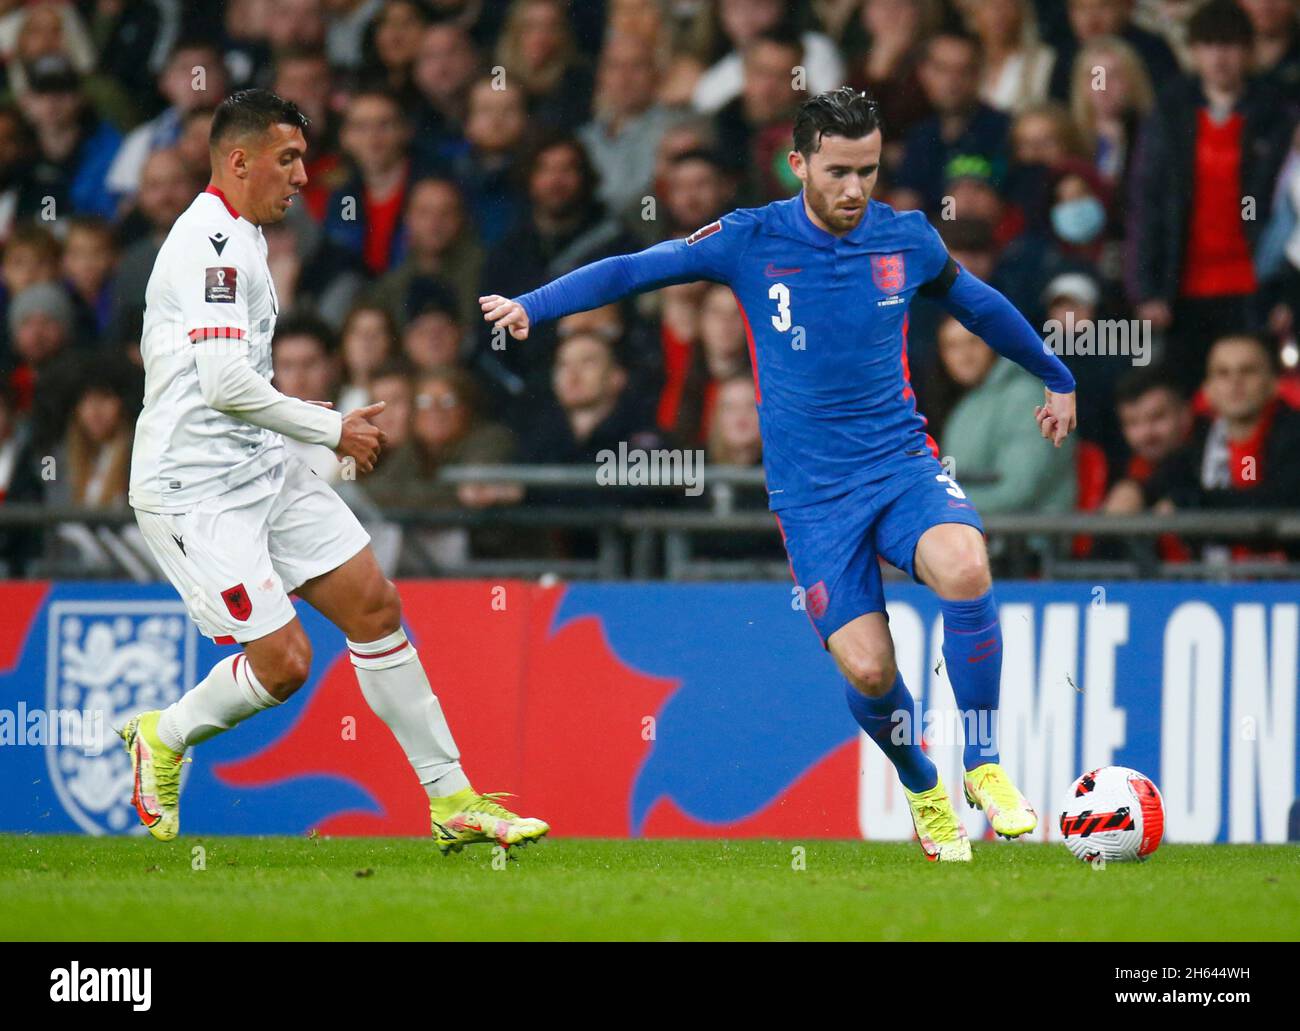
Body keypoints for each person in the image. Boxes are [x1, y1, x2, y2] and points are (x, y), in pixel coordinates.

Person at [482, 87, 1079, 862]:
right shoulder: (749, 238)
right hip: (814, 500)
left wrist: (1056, 375)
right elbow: (640, 266)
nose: (855, 189)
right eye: (837, 171)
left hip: (901, 464)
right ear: (797, 163)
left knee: (965, 565)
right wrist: (536, 305)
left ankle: (986, 763)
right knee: (869, 669)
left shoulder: (907, 239)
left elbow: (980, 305)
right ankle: (924, 783)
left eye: (867, 170)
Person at [121, 88, 548, 854]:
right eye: (287, 159)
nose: (301, 177)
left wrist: (295, 421)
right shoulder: (211, 244)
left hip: (257, 465)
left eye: (304, 160)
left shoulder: (247, 235)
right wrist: (330, 426)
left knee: (375, 606)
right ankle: (164, 733)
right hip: (194, 489)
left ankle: (452, 798)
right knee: (284, 664)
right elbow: (221, 385)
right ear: (239, 159)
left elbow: (227, 378)